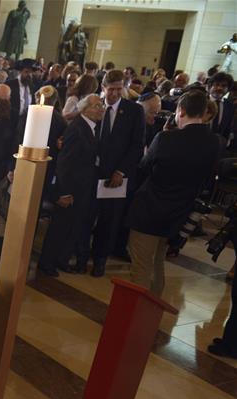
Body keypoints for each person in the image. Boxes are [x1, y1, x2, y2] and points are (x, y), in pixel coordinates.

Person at [126, 91, 220, 296]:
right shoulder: (214, 142)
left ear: (181, 110)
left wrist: (162, 136)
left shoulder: (165, 138)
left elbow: (144, 167)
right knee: (158, 263)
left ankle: (134, 316)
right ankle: (151, 314)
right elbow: (207, 179)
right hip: (178, 212)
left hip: (149, 210)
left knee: (141, 266)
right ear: (204, 112)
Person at [38, 95, 104, 276]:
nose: (101, 108)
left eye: (102, 105)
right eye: (97, 105)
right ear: (85, 109)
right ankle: (47, 263)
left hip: (82, 187)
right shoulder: (77, 129)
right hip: (70, 188)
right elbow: (64, 163)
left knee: (71, 227)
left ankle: (60, 259)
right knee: (59, 227)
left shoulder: (91, 127)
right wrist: (63, 192)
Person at [90, 69, 146, 277]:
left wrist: (121, 171)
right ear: (103, 88)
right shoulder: (94, 107)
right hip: (92, 172)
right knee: (88, 215)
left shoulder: (134, 111)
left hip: (116, 175)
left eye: (118, 89)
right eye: (110, 89)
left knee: (109, 219)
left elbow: (137, 145)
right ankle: (80, 254)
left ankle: (100, 259)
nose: (114, 93)